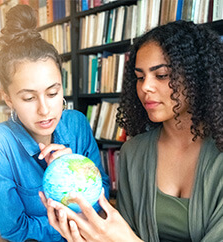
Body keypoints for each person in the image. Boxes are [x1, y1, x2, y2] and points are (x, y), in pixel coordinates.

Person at [42, 20, 223, 241]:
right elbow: (124, 230)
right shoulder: (133, 152)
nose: (145, 86)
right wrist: (76, 183)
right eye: (140, 77)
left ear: (197, 77)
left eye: (162, 75)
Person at [0, 4, 110, 242]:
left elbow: (103, 193)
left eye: (52, 93)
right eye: (29, 98)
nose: (44, 109)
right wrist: (76, 221)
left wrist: (74, 169)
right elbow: (14, 229)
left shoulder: (76, 124)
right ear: (8, 98)